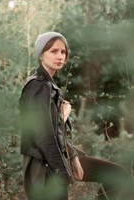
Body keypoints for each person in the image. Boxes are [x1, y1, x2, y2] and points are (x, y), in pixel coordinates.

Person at [19, 32, 128, 200]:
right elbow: (44, 136)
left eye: (63, 52)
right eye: (53, 51)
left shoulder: (50, 85)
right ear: (41, 55)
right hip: (44, 165)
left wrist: (74, 157)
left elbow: (55, 131)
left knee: (118, 175)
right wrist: (62, 174)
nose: (60, 56)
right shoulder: (38, 86)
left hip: (61, 156)